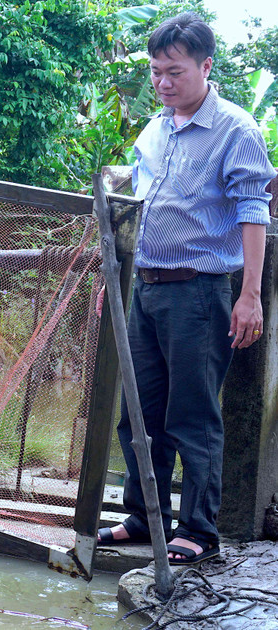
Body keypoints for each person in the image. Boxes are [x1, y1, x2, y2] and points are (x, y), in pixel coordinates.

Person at [96, 13, 274, 565]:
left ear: (205, 66)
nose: (164, 82)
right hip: (146, 288)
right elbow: (146, 184)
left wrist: (249, 295)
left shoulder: (236, 129)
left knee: (192, 415)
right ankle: (143, 517)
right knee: (138, 414)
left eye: (175, 71)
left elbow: (253, 213)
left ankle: (199, 529)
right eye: (155, 73)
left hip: (199, 292)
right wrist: (115, 179)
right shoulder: (156, 128)